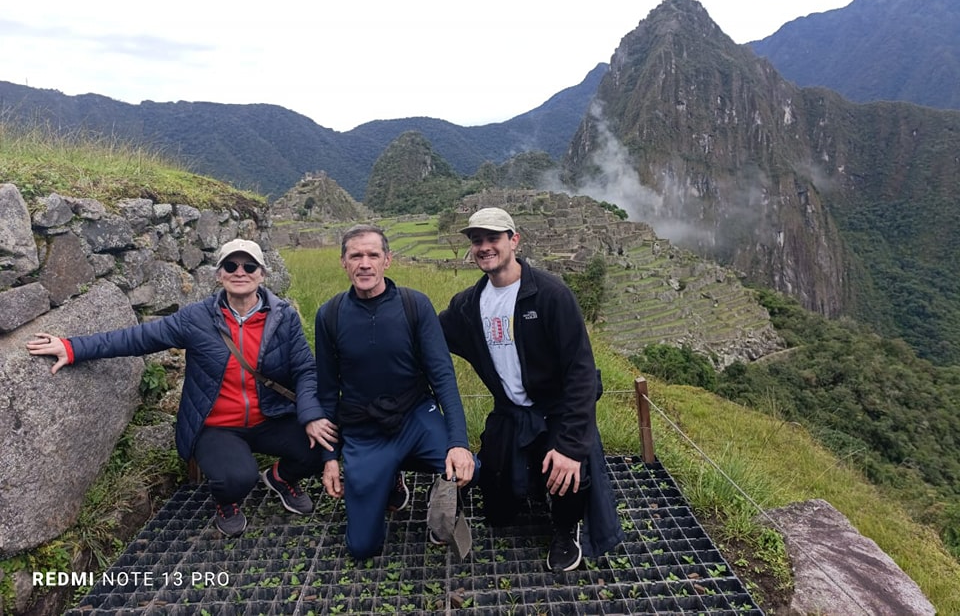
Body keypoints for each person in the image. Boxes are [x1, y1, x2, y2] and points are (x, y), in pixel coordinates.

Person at [26, 239, 337, 538]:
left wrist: (310, 415)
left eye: (249, 266)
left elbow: (304, 369)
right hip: (219, 426)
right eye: (231, 265)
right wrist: (73, 348)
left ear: (262, 274)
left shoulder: (284, 318)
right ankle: (227, 502)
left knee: (321, 444)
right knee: (235, 479)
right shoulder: (196, 318)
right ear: (219, 274)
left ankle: (279, 478)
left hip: (270, 416)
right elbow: (138, 339)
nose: (239, 272)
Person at [438, 207, 623, 572]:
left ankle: (566, 529)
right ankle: (529, 481)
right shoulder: (468, 305)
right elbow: (428, 336)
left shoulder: (551, 295)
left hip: (557, 410)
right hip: (511, 413)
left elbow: (582, 372)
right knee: (499, 511)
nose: (485, 247)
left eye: (493, 239)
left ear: (514, 240)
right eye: (477, 241)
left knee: (570, 471)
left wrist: (571, 446)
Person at [297, 224, 476, 559]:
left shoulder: (415, 305)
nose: (364, 264)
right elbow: (327, 393)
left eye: (372, 255)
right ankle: (388, 478)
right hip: (365, 431)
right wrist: (330, 459)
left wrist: (459, 444)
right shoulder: (330, 315)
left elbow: (443, 378)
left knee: (468, 466)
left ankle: (440, 509)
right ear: (344, 263)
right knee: (362, 547)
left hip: (415, 417)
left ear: (387, 260)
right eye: (356, 256)